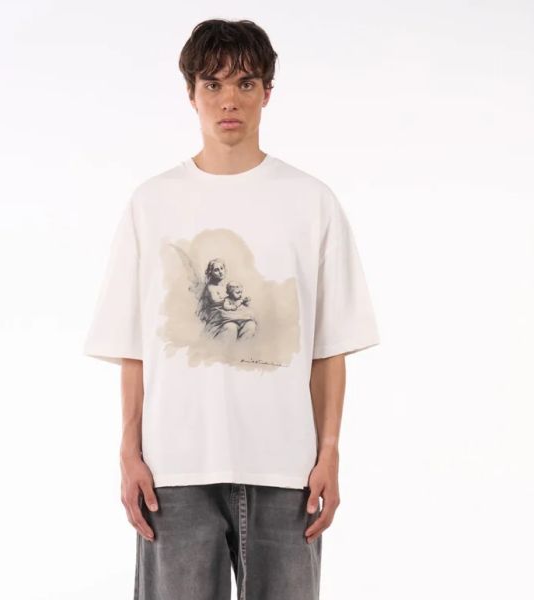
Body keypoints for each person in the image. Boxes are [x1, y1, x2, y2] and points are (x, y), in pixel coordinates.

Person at [83, 18, 380, 600]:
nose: (229, 100)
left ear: (267, 92)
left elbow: (329, 348)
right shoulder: (152, 204)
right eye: (213, 84)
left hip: (286, 471)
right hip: (175, 472)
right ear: (190, 93)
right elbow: (133, 346)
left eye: (245, 83)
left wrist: (328, 453)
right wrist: (128, 453)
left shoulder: (312, 202)